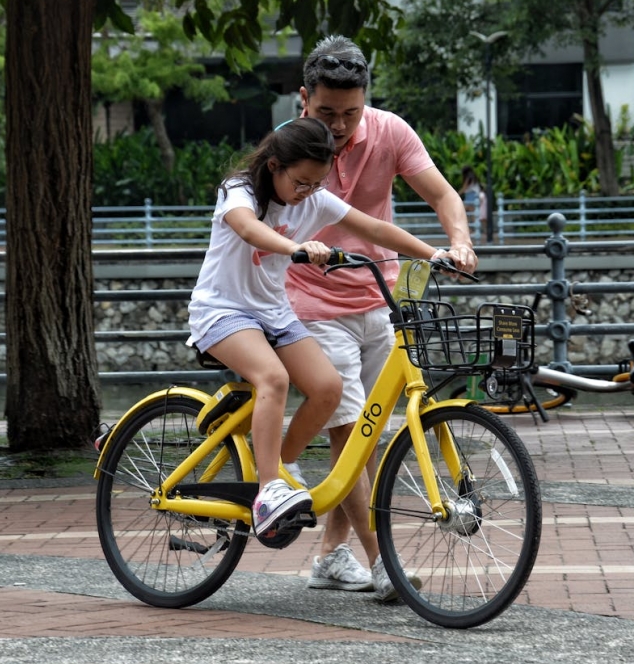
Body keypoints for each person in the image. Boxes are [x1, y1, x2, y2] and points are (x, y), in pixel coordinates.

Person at [186, 117, 450, 547]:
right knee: (273, 377)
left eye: (317, 183)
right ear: (274, 166)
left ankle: (275, 469)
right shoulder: (240, 190)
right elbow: (248, 228)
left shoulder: (315, 199)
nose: (308, 192)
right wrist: (296, 248)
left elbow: (377, 229)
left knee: (328, 388)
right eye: (301, 182)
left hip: (273, 312)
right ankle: (269, 491)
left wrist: (435, 253)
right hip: (222, 311)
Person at [285, 35, 477, 601]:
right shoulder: (290, 144)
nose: (340, 126)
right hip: (311, 303)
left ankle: (327, 557)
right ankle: (383, 561)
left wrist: (459, 241)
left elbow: (443, 194)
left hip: (380, 299)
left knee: (366, 440)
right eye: (327, 113)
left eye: (351, 112)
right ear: (304, 100)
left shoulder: (390, 131)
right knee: (350, 430)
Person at [458, 165, 487, 239]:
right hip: (474, 196)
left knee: (460, 211)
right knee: (474, 215)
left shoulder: (468, 177)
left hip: (471, 196)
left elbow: (464, 188)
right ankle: (475, 230)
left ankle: (472, 230)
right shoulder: (474, 177)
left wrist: (456, 194)